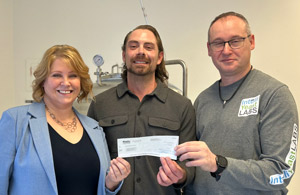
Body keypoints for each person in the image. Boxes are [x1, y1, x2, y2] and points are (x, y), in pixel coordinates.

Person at [175, 11, 299, 194]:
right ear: (209, 49)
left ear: (252, 41)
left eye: (235, 41)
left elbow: (281, 173)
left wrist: (219, 164)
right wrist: (180, 175)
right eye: (218, 43)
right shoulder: (202, 100)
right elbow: (193, 165)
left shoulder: (274, 95)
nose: (226, 50)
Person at [0, 45, 131, 195]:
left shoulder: (94, 128)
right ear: (43, 81)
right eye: (56, 75)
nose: (66, 82)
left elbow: (100, 189)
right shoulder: (16, 121)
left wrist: (112, 183)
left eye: (73, 75)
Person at [88, 25, 196, 194]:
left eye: (148, 47)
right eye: (133, 46)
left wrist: (180, 174)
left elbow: (189, 166)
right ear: (124, 55)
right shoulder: (100, 104)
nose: (141, 51)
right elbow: (92, 163)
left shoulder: (182, 106)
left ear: (159, 57)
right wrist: (109, 182)